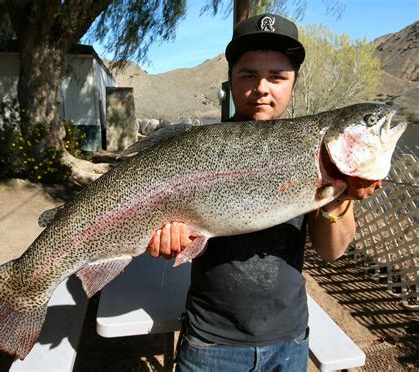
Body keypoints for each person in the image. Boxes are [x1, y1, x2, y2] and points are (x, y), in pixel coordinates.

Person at [147, 13, 380, 371]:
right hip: (209, 343)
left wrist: (342, 199)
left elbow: (331, 251)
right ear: (230, 80)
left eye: (277, 76)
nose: (262, 88)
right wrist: (167, 239)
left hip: (289, 342)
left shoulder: (316, 155)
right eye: (248, 75)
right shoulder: (200, 148)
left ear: (294, 82)